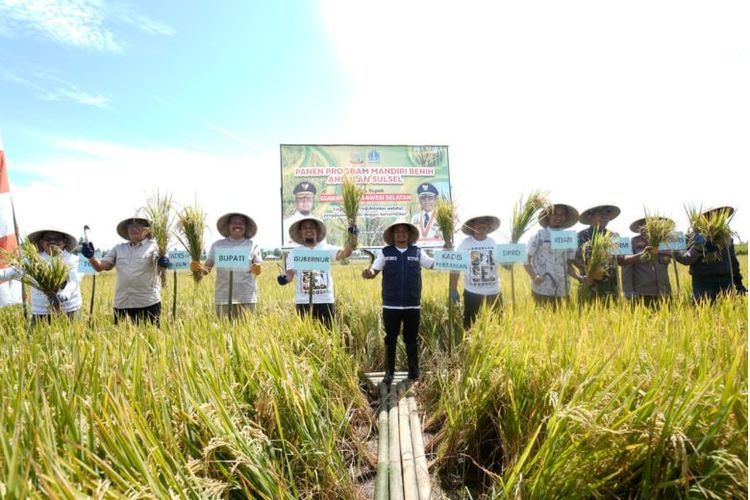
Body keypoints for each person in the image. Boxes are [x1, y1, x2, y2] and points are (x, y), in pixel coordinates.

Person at [362, 221, 435, 384]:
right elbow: (374, 271)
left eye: (404, 231)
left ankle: (413, 371)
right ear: (393, 235)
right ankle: (389, 373)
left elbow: (431, 264)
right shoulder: (385, 252)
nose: (401, 234)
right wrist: (368, 272)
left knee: (411, 338)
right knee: (390, 338)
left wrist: (450, 259)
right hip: (391, 304)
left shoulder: (417, 252)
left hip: (412, 304)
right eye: (397, 232)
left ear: (409, 235)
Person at [81, 217, 169, 326]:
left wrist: (163, 262)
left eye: (139, 225)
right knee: (121, 340)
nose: (134, 228)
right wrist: (91, 256)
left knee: (151, 338)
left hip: (147, 303)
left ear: (148, 230)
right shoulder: (119, 249)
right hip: (122, 304)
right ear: (127, 231)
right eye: (131, 226)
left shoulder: (155, 247)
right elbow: (100, 267)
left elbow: (160, 266)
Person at [276, 217, 356, 327]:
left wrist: (352, 237)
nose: (308, 230)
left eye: (312, 227)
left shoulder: (326, 249)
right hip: (303, 302)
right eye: (305, 228)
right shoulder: (294, 253)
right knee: (305, 337)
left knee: (329, 335)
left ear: (317, 231)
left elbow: (345, 254)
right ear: (300, 232)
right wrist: (283, 278)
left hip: (325, 301)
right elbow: (290, 274)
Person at [0, 228, 82, 323]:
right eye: (48, 238)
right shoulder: (33, 260)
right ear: (41, 242)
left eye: (57, 238)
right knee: (37, 337)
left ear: (64, 241)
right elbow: (8, 274)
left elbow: (74, 281)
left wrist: (64, 295)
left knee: (72, 336)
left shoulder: (73, 259)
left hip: (69, 310)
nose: (52, 241)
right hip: (41, 311)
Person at [197, 212, 262, 318]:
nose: (238, 225)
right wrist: (198, 268)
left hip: (246, 297)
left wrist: (257, 268)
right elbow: (207, 269)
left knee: (247, 333)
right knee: (224, 332)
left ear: (245, 226)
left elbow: (257, 265)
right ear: (228, 226)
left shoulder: (252, 245)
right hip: (224, 298)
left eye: (241, 223)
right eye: (234, 222)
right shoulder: (218, 245)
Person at [673, 206, 746, 301]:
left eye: (720, 216)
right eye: (712, 216)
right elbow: (684, 258)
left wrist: (739, 283)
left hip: (725, 283)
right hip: (702, 285)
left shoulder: (726, 238)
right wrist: (698, 247)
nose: (716, 219)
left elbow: (733, 263)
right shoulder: (693, 237)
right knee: (703, 312)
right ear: (705, 219)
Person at [524, 203, 582, 307]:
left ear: (565, 217)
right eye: (554, 214)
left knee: (563, 321)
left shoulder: (570, 237)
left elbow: (568, 264)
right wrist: (534, 276)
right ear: (548, 216)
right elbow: (525, 259)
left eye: (562, 214)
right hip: (542, 289)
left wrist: (579, 277)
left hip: (563, 289)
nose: (558, 217)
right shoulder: (539, 235)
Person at [449, 215, 501, 328]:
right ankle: (470, 346)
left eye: (484, 222)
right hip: (472, 292)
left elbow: (507, 266)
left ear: (488, 226)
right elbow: (455, 267)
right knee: (470, 326)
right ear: (472, 226)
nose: (481, 225)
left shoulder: (494, 243)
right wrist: (453, 289)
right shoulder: (465, 245)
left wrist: (512, 252)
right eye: (477, 222)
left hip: (494, 292)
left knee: (497, 325)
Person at [619, 217, 673, 306]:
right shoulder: (633, 242)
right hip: (643, 294)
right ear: (640, 226)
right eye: (646, 223)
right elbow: (626, 268)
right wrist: (628, 292)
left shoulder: (665, 242)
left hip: (664, 293)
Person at [574, 204, 622, 302]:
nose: (604, 218)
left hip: (612, 287)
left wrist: (643, 254)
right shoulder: (581, 236)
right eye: (600, 215)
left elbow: (620, 258)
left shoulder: (614, 236)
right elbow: (575, 258)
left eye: (607, 215)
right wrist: (590, 271)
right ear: (590, 217)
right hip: (590, 286)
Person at [283, 181, 317, 247]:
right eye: (301, 198)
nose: (305, 201)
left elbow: (324, 248)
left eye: (309, 198)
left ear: (313, 201)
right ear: (296, 201)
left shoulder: (319, 223)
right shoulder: (286, 224)